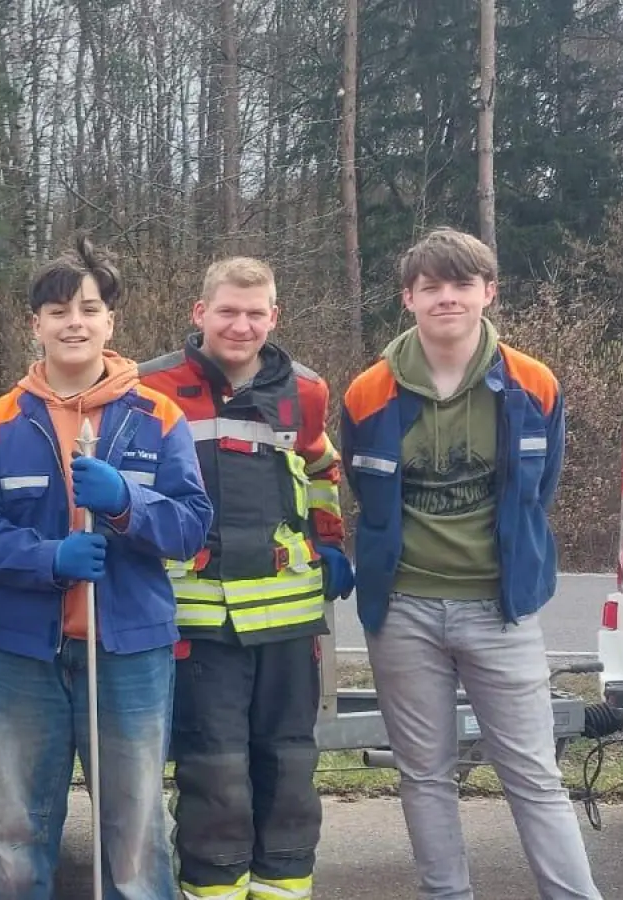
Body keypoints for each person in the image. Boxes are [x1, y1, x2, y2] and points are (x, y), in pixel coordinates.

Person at [341, 227, 601, 899]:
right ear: (409, 299)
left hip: (501, 609)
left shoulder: (533, 383)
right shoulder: (369, 392)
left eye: (462, 285)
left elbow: (539, 491)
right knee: (425, 774)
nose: (447, 298)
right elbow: (364, 493)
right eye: (432, 287)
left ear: (488, 292)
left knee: (534, 775)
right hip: (403, 611)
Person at [0, 235, 214, 900]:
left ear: (110, 322)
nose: (75, 321)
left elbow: (190, 525)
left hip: (128, 652)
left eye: (90, 308)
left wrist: (128, 504)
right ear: (34, 324)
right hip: (26, 656)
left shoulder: (157, 416)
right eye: (58, 310)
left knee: (135, 835)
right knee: (16, 832)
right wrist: (49, 559)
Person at [137, 257, 352, 900]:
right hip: (198, 620)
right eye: (228, 310)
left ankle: (285, 886)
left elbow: (321, 470)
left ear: (274, 317)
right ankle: (212, 888)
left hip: (288, 619)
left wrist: (331, 542)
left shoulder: (305, 390)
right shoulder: (151, 387)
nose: (242, 324)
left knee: (290, 763)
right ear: (200, 313)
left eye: (256, 312)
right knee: (214, 770)